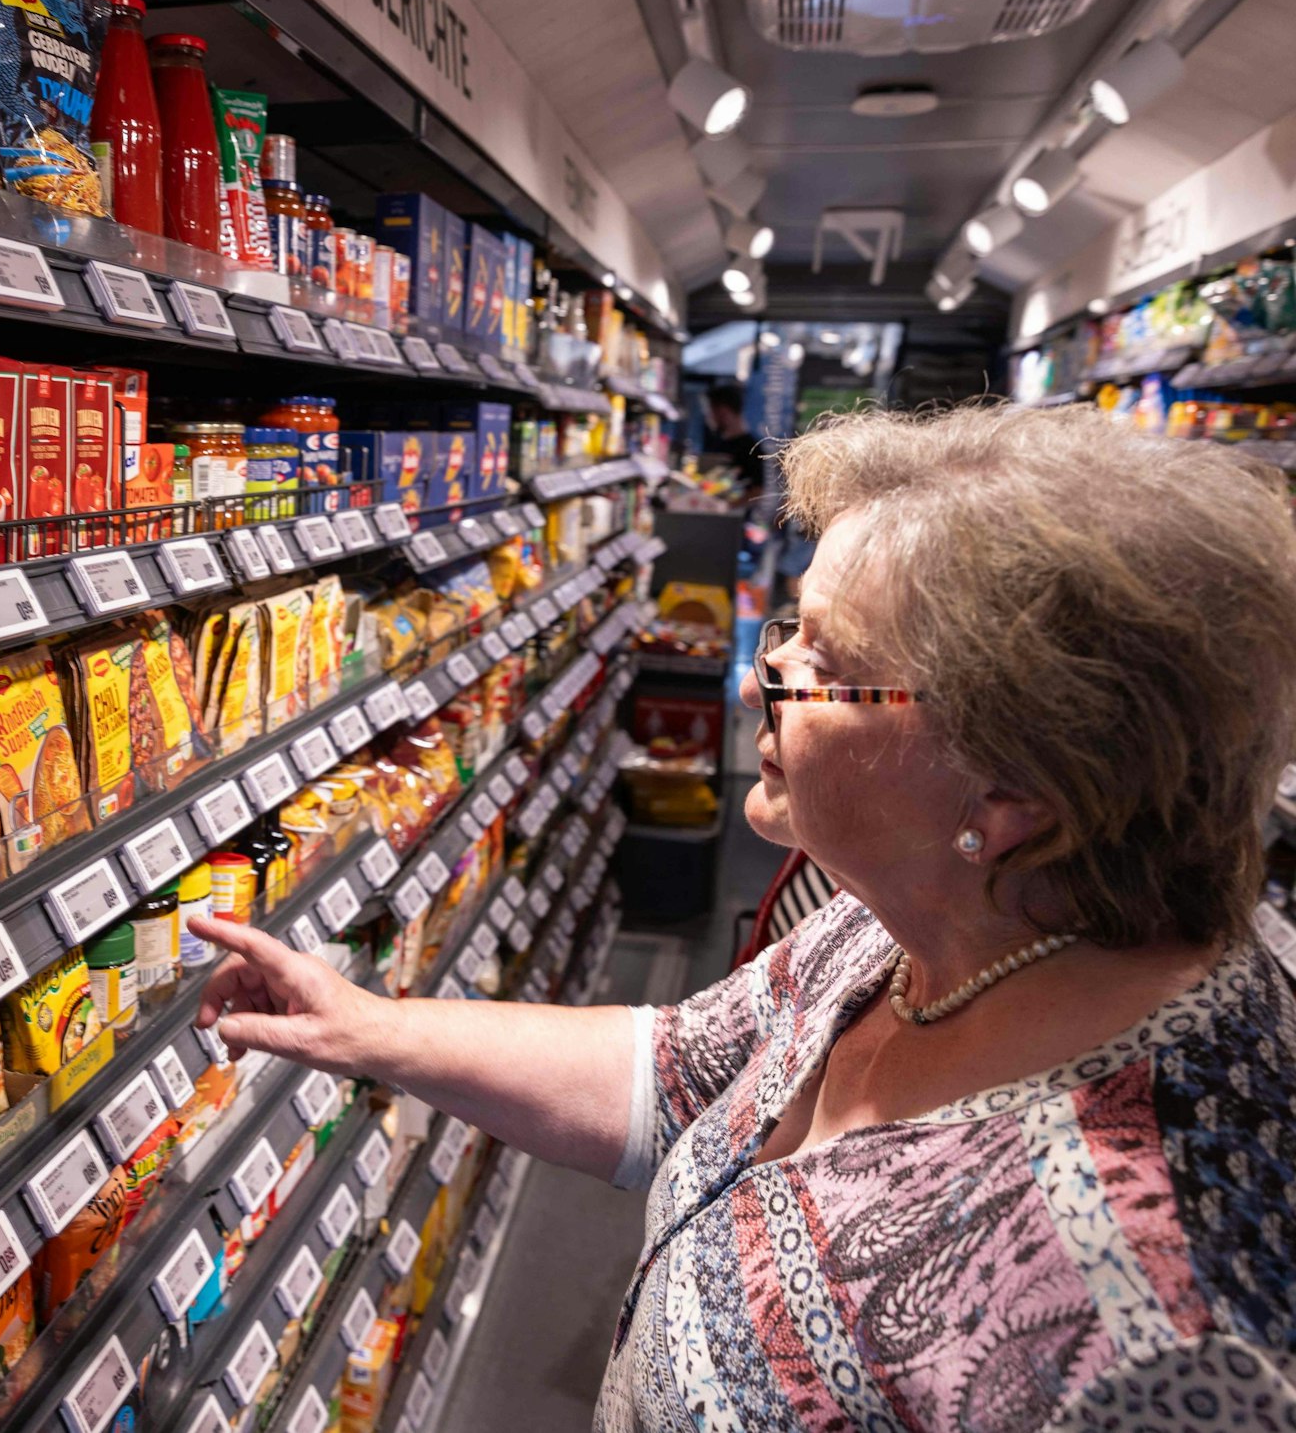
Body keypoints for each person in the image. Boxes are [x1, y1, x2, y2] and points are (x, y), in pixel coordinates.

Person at [188, 402, 1296, 1431]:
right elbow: (677, 1073)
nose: (763, 673)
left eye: (826, 661)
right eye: (788, 631)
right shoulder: (904, 923)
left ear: (1013, 791)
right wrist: (366, 1026)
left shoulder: (1149, 1322)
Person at [704, 381, 766, 495]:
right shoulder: (718, 442)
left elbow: (758, 491)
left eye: (712, 412)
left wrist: (726, 508)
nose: (711, 417)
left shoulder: (751, 447)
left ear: (724, 411)